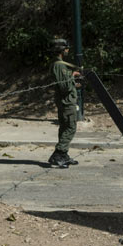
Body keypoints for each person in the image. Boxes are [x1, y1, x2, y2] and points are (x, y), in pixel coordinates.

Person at [48, 38, 81, 168]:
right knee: (70, 127)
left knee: (64, 128)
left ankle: (64, 155)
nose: (68, 50)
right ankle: (58, 154)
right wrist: (73, 76)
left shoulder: (59, 64)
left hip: (65, 101)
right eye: (66, 48)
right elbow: (64, 86)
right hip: (66, 102)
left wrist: (73, 81)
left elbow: (65, 84)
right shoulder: (59, 65)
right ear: (61, 50)